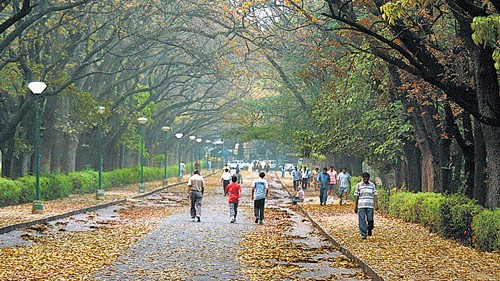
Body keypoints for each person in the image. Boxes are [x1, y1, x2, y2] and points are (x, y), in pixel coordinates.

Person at [354, 172, 378, 239]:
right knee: (362, 220)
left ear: (368, 178)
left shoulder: (372, 185)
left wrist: (376, 204)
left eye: (367, 178)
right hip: (361, 205)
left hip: (370, 205)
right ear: (362, 178)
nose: (366, 179)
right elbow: (356, 196)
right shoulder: (359, 185)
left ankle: (369, 228)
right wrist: (355, 206)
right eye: (364, 178)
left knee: (370, 220)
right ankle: (363, 234)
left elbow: (375, 195)